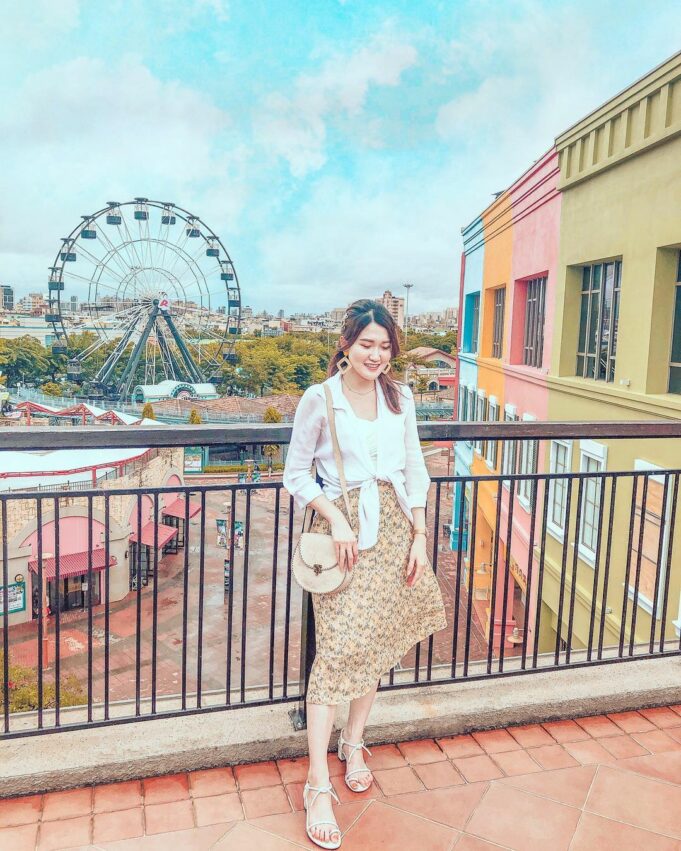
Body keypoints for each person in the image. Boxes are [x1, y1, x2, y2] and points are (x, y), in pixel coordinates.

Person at [283, 299, 447, 849]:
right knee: (336, 652)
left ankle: (354, 742)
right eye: (365, 345)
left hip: (395, 529)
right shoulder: (320, 398)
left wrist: (420, 534)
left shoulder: (400, 397)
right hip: (343, 536)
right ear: (346, 346)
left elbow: (414, 466)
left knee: (373, 644)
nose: (375, 355)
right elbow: (296, 474)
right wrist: (335, 518)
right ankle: (316, 782)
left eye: (383, 346)